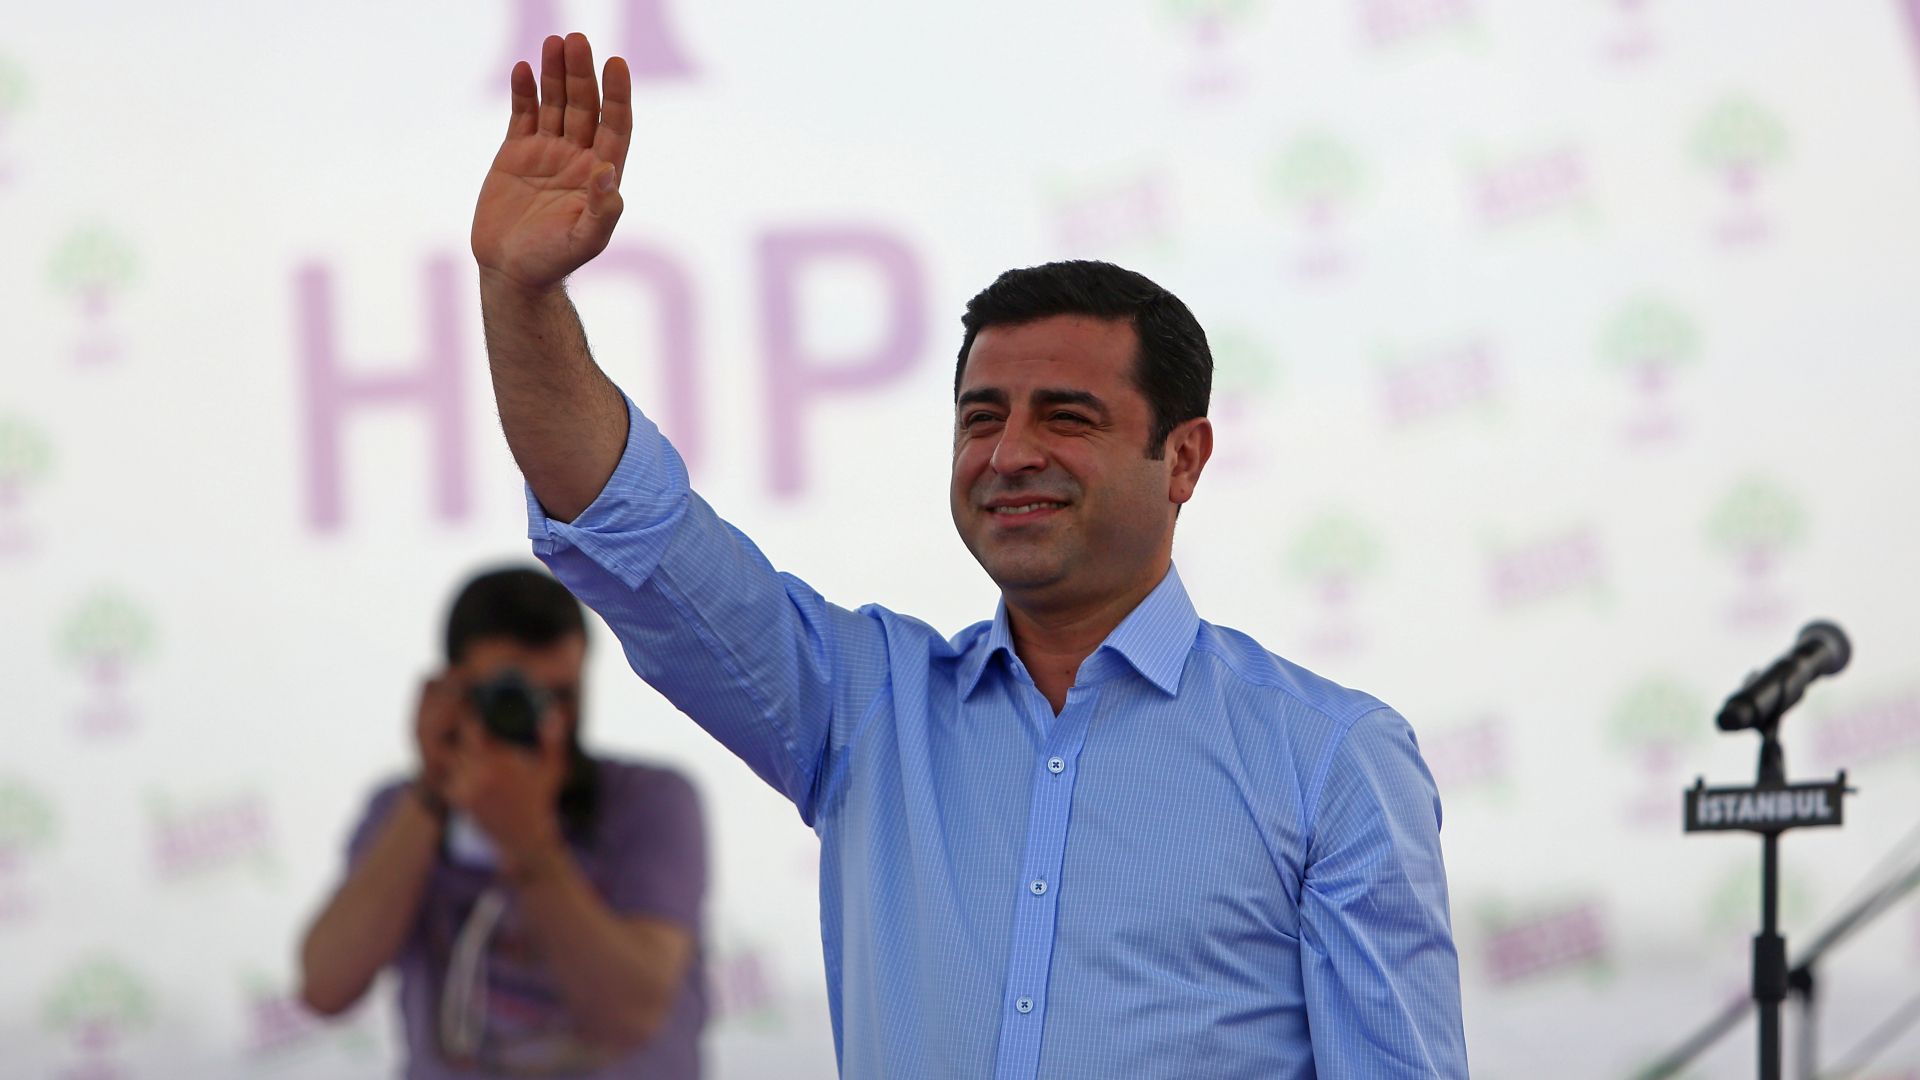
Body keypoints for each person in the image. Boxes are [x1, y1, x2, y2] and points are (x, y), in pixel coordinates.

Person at [470, 30, 1468, 1079]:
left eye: (1066, 417)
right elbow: (634, 529)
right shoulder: (864, 708)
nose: (1010, 453)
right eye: (981, 415)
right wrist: (519, 297)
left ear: (1183, 457)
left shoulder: (1328, 760)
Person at [298, 566, 708, 1078]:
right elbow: (325, 987)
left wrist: (530, 843)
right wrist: (433, 791)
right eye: (512, 697)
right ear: (452, 692)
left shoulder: (648, 802)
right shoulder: (405, 812)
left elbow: (629, 1017)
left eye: (561, 696)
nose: (544, 723)